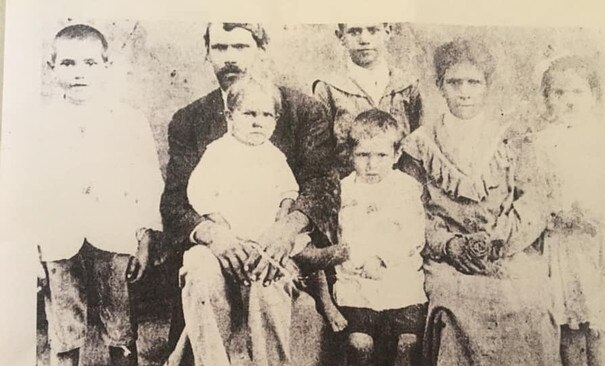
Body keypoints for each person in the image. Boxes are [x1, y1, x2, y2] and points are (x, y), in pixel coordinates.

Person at [160, 23, 337, 365]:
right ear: (207, 52)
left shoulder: (302, 109)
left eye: (240, 47)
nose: (230, 59)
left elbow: (322, 186)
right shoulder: (189, 120)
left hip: (275, 243)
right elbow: (175, 202)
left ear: (260, 50)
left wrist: (284, 231)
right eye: (220, 48)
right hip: (220, 246)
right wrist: (215, 235)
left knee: (268, 278)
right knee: (198, 271)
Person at [398, 38, 560, 365]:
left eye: (474, 82)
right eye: (454, 82)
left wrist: (498, 241)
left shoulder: (511, 136)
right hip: (446, 258)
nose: (465, 92)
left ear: (487, 86)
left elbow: (532, 203)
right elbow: (408, 210)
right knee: (451, 307)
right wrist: (449, 245)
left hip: (505, 252)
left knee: (530, 304)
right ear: (440, 86)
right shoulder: (420, 143)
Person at [31, 24, 163, 366]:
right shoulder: (38, 124)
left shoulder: (129, 120)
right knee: (63, 326)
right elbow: (25, 188)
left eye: (90, 63)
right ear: (51, 67)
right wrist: (30, 247)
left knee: (119, 325)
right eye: (68, 64)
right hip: (58, 237)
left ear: (106, 66)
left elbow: (147, 180)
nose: (79, 74)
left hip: (114, 232)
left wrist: (144, 236)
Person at [533, 56, 605, 365]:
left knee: (598, 325)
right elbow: (536, 193)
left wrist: (598, 211)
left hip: (596, 242)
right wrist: (556, 213)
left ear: (594, 96)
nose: (568, 101)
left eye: (577, 92)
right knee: (568, 324)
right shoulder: (542, 143)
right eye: (558, 93)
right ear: (547, 99)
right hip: (562, 243)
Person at [329, 109, 427, 365]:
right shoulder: (344, 191)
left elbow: (413, 235)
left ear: (396, 155)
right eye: (363, 155)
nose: (372, 165)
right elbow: (340, 236)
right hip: (357, 282)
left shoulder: (406, 189)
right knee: (360, 344)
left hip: (399, 281)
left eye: (381, 155)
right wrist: (359, 262)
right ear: (351, 155)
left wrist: (383, 259)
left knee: (408, 342)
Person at [312, 23, 422, 175]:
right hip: (348, 187)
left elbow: (420, 143)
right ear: (341, 36)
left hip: (402, 186)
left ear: (387, 32)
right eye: (354, 32)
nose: (364, 39)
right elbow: (320, 153)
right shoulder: (328, 88)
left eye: (372, 30)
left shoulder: (407, 84)